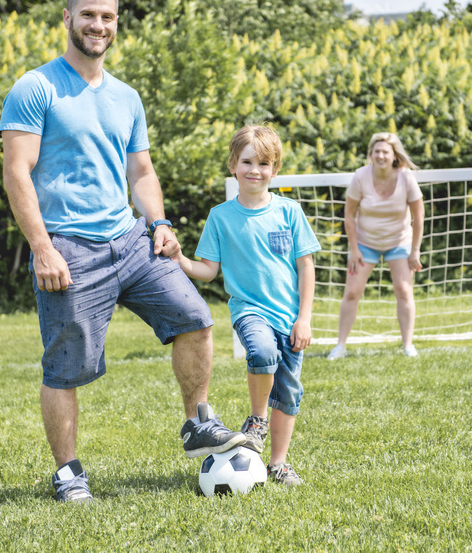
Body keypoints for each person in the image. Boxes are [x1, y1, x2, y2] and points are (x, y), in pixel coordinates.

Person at [0, 0, 245, 504]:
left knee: (196, 320)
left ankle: (198, 422)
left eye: (107, 16)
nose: (98, 25)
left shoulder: (127, 97)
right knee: (66, 368)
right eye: (88, 14)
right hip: (68, 248)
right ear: (67, 18)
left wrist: (158, 222)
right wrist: (42, 247)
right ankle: (68, 473)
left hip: (132, 240)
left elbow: (141, 173)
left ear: (117, 24)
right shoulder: (35, 87)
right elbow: (17, 172)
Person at [173, 125, 320, 487]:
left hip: (290, 317)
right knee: (261, 351)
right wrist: (179, 258)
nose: (256, 170)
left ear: (275, 169)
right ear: (233, 165)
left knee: (288, 394)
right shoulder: (221, 217)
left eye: (264, 163)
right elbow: (207, 270)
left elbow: (306, 267)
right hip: (250, 311)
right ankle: (256, 420)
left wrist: (304, 319)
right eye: (248, 161)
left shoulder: (289, 212)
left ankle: (279, 464)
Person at [328, 132, 424, 360]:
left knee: (403, 289)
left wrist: (415, 250)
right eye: (377, 151)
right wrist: (354, 249)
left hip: (399, 241)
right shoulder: (360, 176)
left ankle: (408, 345)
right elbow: (349, 215)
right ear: (371, 155)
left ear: (394, 156)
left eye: (385, 152)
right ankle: (340, 346)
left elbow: (418, 217)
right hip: (364, 242)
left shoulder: (406, 178)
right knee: (352, 292)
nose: (381, 155)